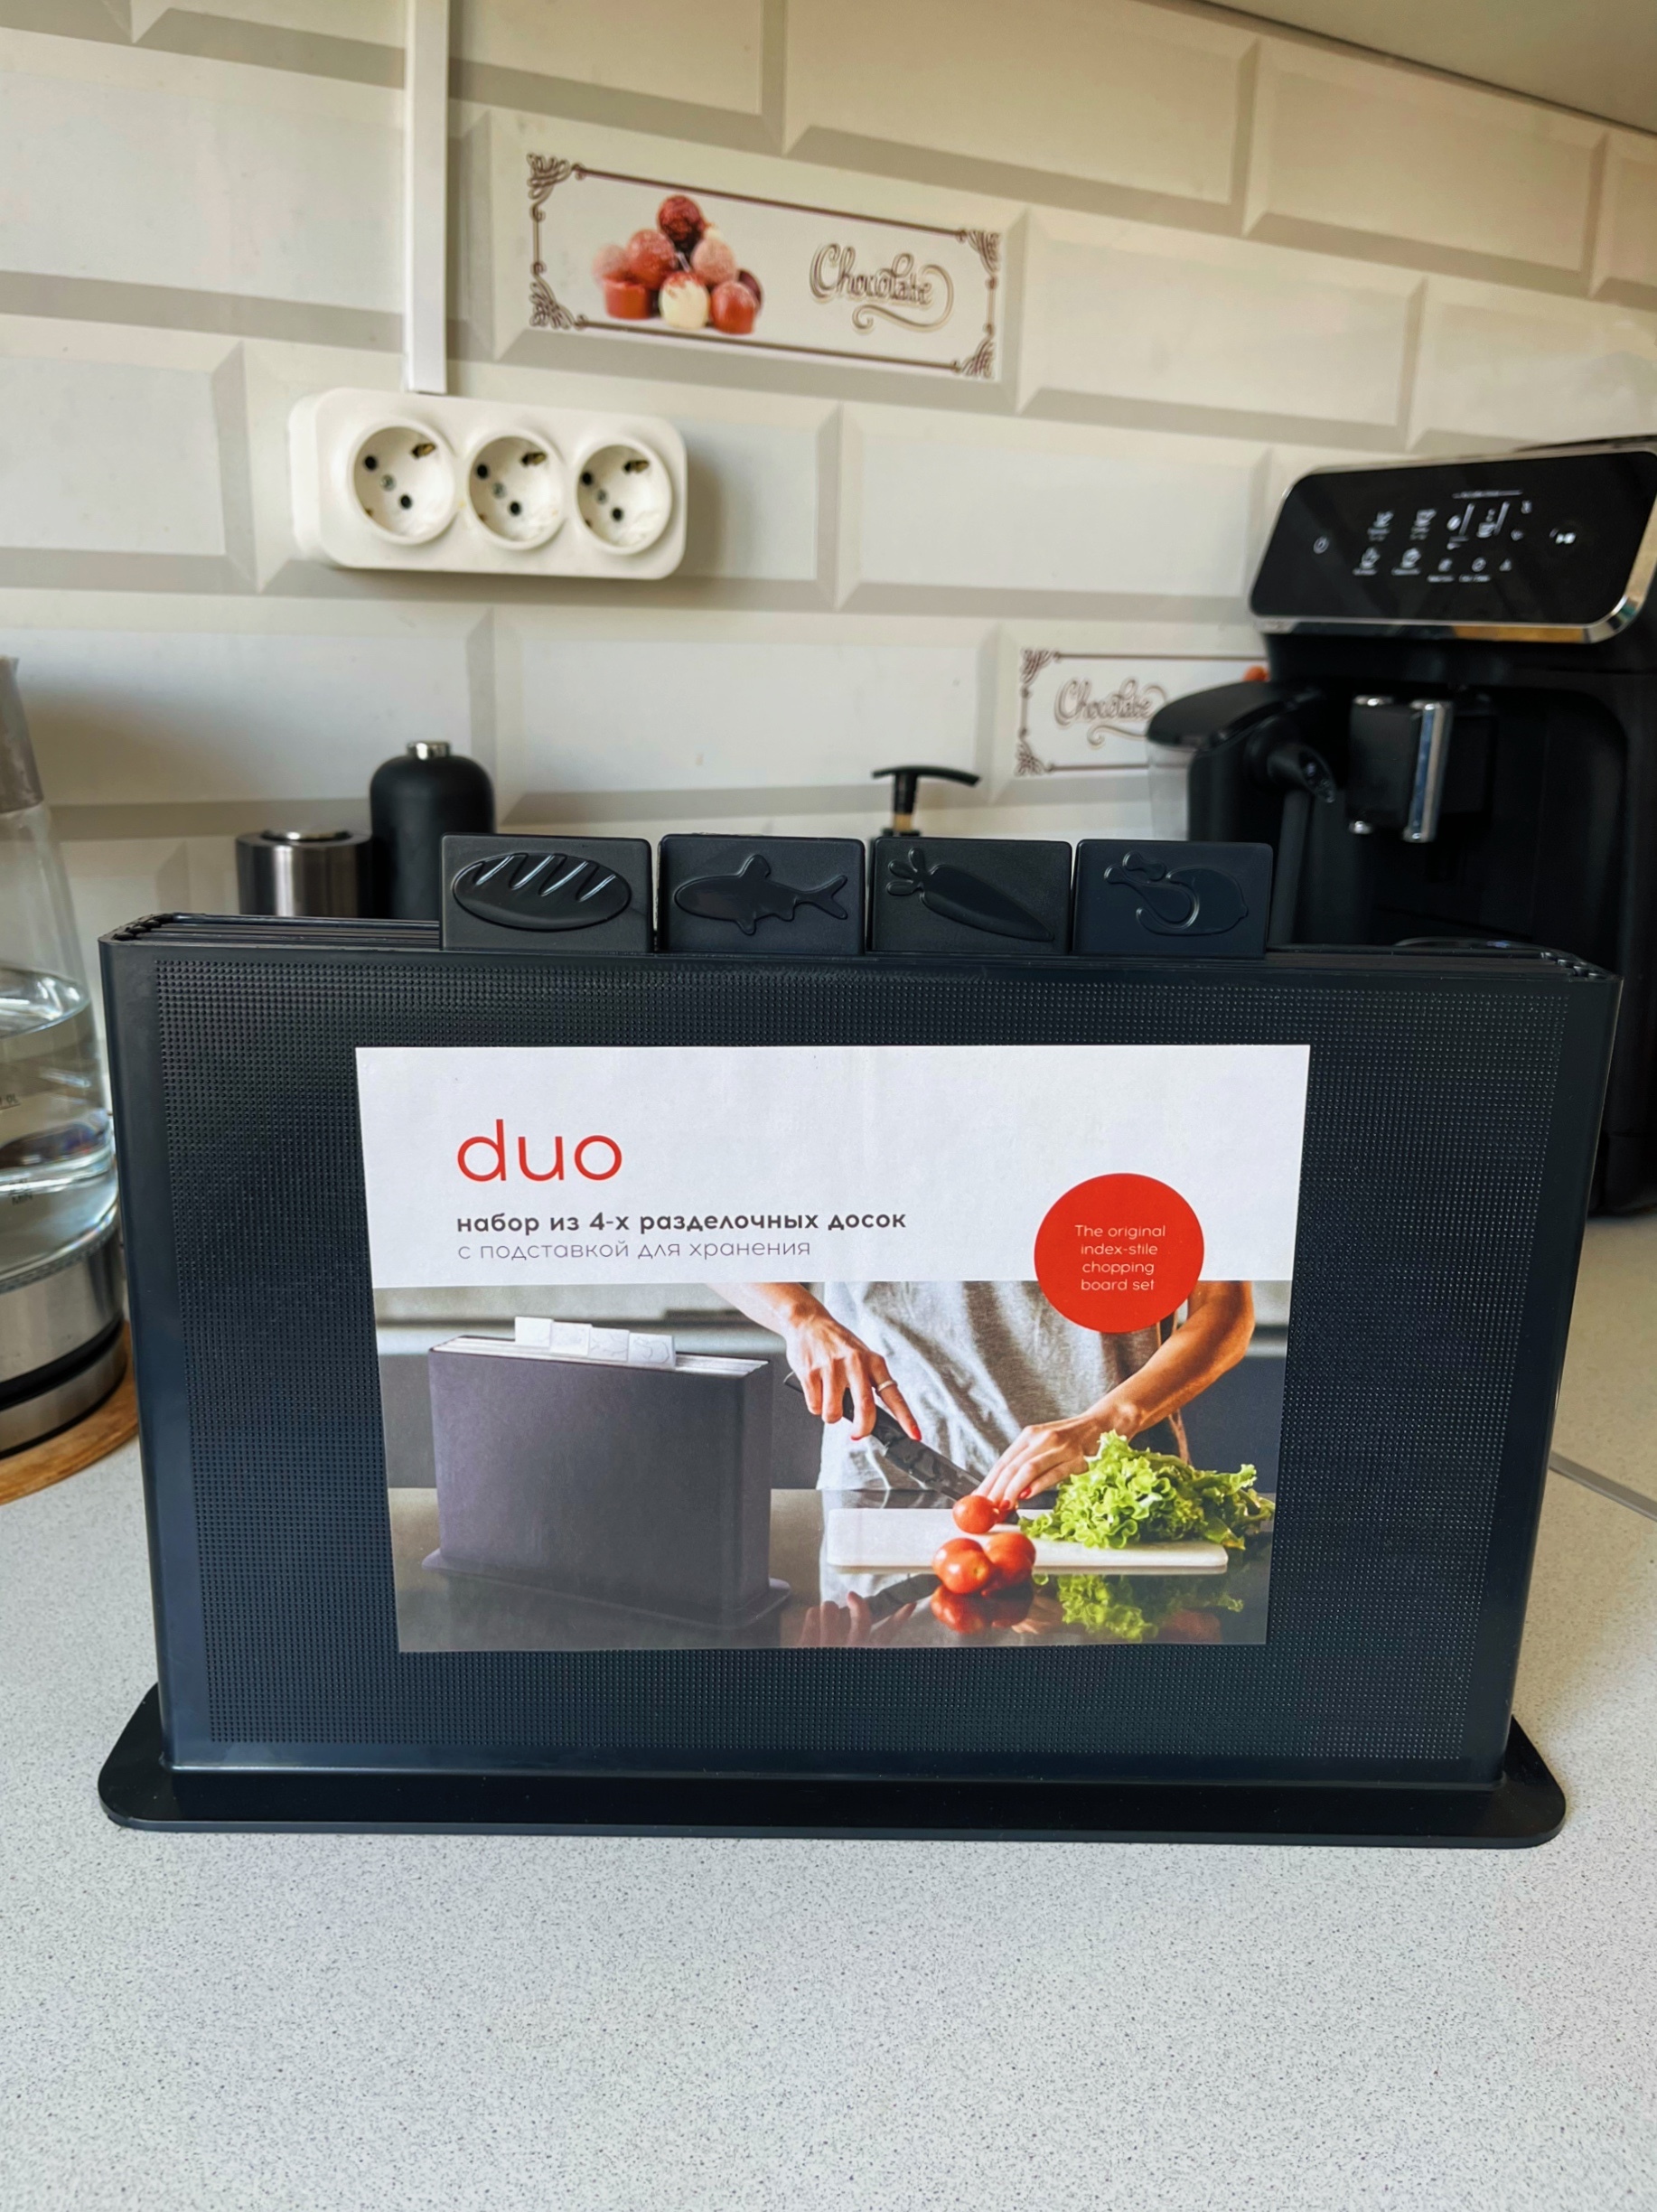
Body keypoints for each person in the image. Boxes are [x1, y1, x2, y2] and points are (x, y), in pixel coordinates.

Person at [715, 1278, 1255, 1505]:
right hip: (889, 1491)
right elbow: (703, 1226)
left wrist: (1108, 1421)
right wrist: (799, 1315)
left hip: (1114, 1489)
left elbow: (1224, 1306)